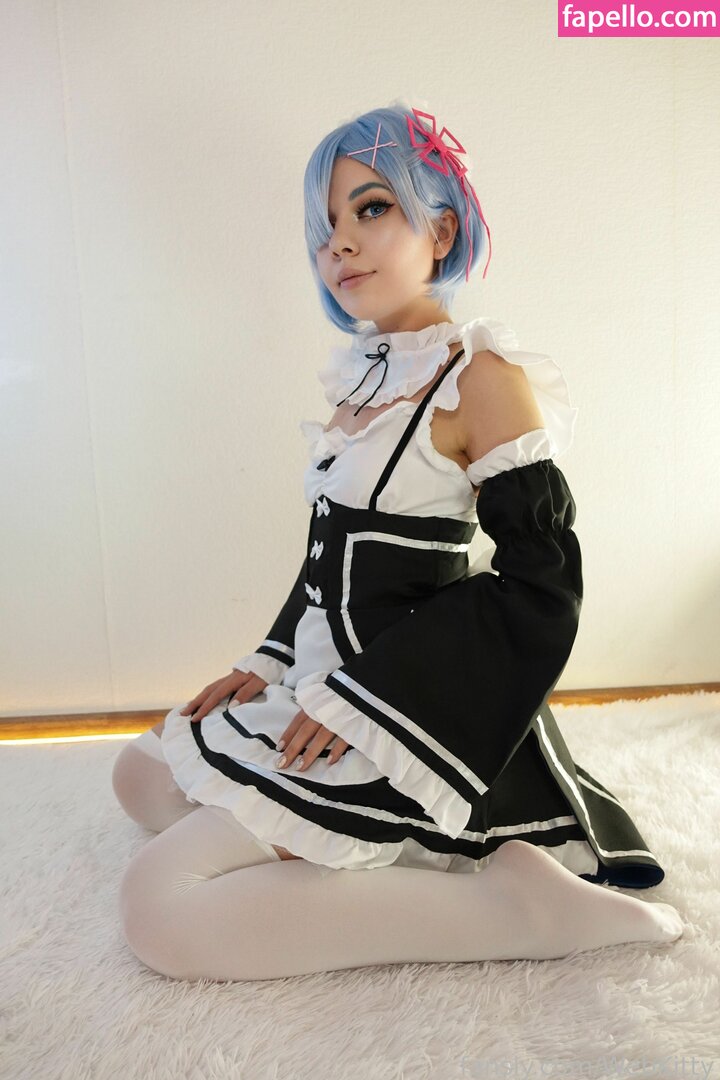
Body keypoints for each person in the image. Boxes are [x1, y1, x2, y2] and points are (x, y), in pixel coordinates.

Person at [112, 101, 683, 982]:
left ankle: (514, 909)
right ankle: (354, 852)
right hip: (322, 685)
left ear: (441, 229)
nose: (339, 242)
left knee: (157, 908)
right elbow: (328, 560)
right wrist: (268, 660)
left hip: (410, 708)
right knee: (140, 774)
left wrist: (363, 701)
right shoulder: (362, 378)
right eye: (325, 225)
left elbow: (542, 586)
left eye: (372, 208)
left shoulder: (480, 377)